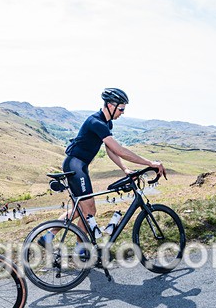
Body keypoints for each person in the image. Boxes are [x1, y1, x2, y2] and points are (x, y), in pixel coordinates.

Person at [42, 88, 166, 245]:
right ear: (110, 105)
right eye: (121, 109)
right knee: (89, 211)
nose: (122, 112)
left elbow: (111, 151)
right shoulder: (97, 122)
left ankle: (47, 237)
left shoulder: (107, 123)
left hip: (79, 165)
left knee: (78, 210)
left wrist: (125, 169)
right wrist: (150, 163)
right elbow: (120, 150)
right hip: (75, 165)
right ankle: (81, 250)